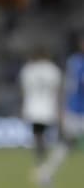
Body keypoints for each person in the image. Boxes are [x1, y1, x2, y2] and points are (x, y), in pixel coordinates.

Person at [36, 30, 84, 187]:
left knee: (67, 145)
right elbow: (73, 87)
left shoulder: (73, 62)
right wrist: (63, 110)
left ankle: (45, 173)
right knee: (67, 144)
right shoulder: (77, 63)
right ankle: (45, 174)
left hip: (75, 111)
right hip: (78, 111)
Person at [18, 45, 62, 179]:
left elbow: (23, 90)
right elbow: (57, 91)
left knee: (38, 137)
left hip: (33, 108)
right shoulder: (53, 70)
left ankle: (41, 164)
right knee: (48, 138)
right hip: (49, 108)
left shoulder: (28, 69)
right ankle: (45, 165)